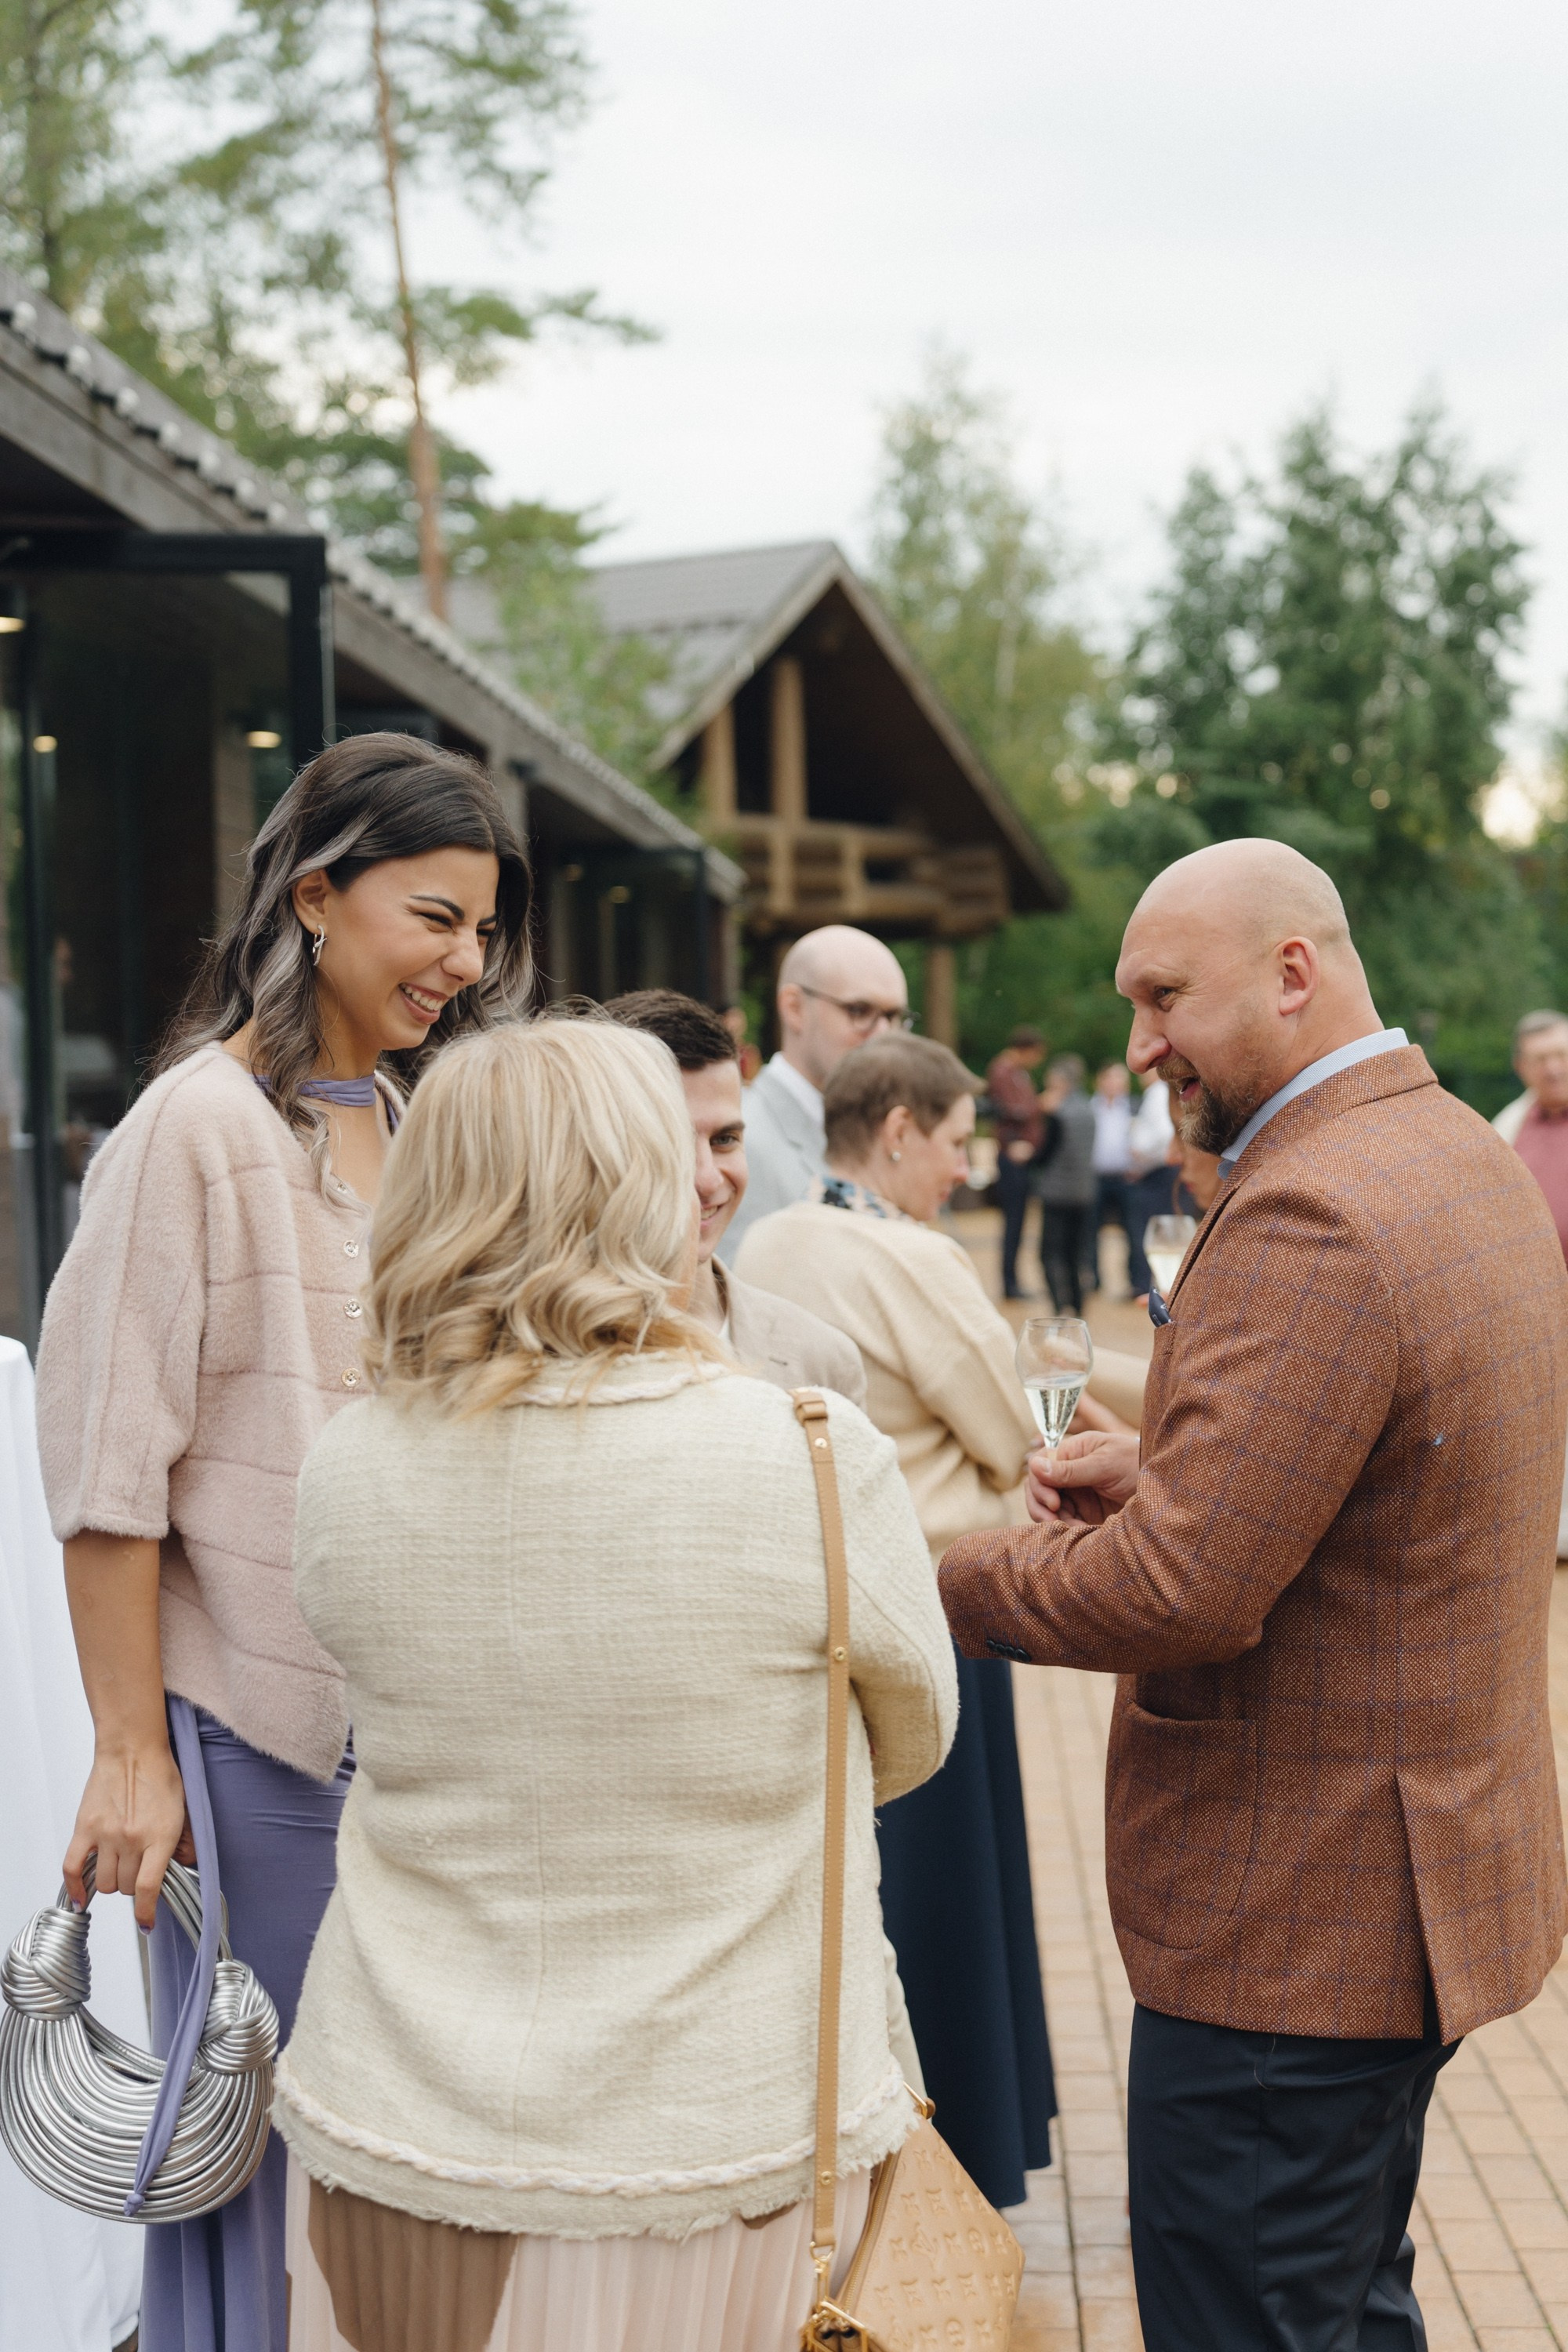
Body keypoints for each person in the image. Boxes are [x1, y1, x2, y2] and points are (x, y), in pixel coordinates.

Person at [938, 839, 1568, 2352]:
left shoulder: (1314, 1206)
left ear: (1294, 974)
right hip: (1399, 1894)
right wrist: (1173, 1461)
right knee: (1344, 2306)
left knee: (1261, 2318)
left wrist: (933, 1573)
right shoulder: (1455, 1155)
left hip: (1295, 1927)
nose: (1141, 1040)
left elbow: (1180, 1593)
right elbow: (1388, 1471)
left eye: (1163, 996)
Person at [272, 1020, 957, 2352]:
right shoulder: (808, 1456)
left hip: (398, 2135)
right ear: (632, 1187)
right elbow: (910, 1736)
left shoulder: (345, 1464)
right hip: (726, 2155)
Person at [34, 734, 532, 2352]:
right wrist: (129, 1756)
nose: (465, 963)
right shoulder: (194, 1130)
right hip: (253, 1745)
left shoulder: (404, 1119)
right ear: (317, 895)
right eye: (435, 919)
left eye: (482, 933)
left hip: (399, 1751)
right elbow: (109, 1471)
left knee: (368, 2186)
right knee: (271, 2175)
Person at [736, 1033, 1056, 2210]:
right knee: (950, 1908)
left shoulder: (763, 1239)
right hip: (936, 1608)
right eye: (961, 1142)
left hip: (812, 1617)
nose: (968, 1170)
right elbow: (1019, 1432)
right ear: (901, 1132)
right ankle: (963, 2146)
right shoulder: (911, 1257)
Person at [602, 989, 867, 1404]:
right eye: (669, 1141)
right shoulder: (523, 1354)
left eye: (725, 1140)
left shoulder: (823, 1360)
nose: (707, 1180)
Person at [718, 924, 911, 1262]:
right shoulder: (738, 1139)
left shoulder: (890, 1133)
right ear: (794, 1008)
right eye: (859, 1011)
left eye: (893, 1016)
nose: (883, 1036)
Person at [1497, 1009, 1568, 1557]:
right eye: (1541, 1058)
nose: (1554, 1067)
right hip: (1536, 1306)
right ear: (1522, 1067)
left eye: (1562, 1053)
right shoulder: (1507, 1125)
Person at [1032, 1053, 1097, 1315]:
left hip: (1057, 1192)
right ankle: (1079, 1306)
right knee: (1076, 1253)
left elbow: (1045, 1155)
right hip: (1084, 1191)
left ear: (1061, 1083)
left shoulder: (1059, 1114)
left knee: (1050, 1253)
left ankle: (1060, 1305)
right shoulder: (1089, 1110)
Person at [986, 1025, 1046, 1299]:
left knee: (1019, 1221)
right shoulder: (1003, 1071)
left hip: (1020, 1155)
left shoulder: (1015, 1072)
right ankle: (1010, 1284)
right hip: (1011, 1156)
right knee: (1013, 1222)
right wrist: (1041, 1105)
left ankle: (1013, 1282)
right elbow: (1014, 1110)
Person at [1122, 1073, 1175, 1297]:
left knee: (1150, 1230)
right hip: (1158, 1172)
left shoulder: (1158, 1093)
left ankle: (1146, 1285)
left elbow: (1164, 1134)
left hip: (1157, 1173)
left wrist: (1140, 1156)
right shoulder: (1159, 1093)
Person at [1090, 1060, 1134, 1291]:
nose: (1116, 1084)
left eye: (1121, 1079)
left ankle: (1132, 1281)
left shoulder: (1132, 1108)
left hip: (1124, 1177)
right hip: (1096, 1177)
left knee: (1131, 1229)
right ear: (1101, 1081)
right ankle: (1093, 1279)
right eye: (1112, 1078)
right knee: (1092, 1230)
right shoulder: (1091, 1108)